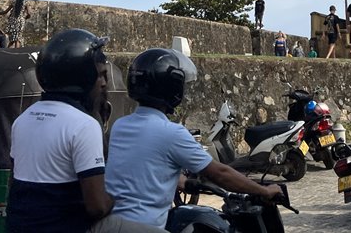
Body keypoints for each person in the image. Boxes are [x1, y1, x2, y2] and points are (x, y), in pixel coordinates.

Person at [106, 48, 282, 229]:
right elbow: (220, 174)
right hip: (146, 228)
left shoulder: (120, 126)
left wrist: (179, 180)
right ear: (173, 87)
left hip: (113, 224)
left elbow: (141, 167)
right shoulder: (172, 133)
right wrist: (264, 190)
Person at [6, 28, 157, 233]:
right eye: (101, 76)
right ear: (82, 77)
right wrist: (120, 195)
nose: (105, 84)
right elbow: (97, 207)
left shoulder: (23, 119)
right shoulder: (84, 125)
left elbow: (14, 182)